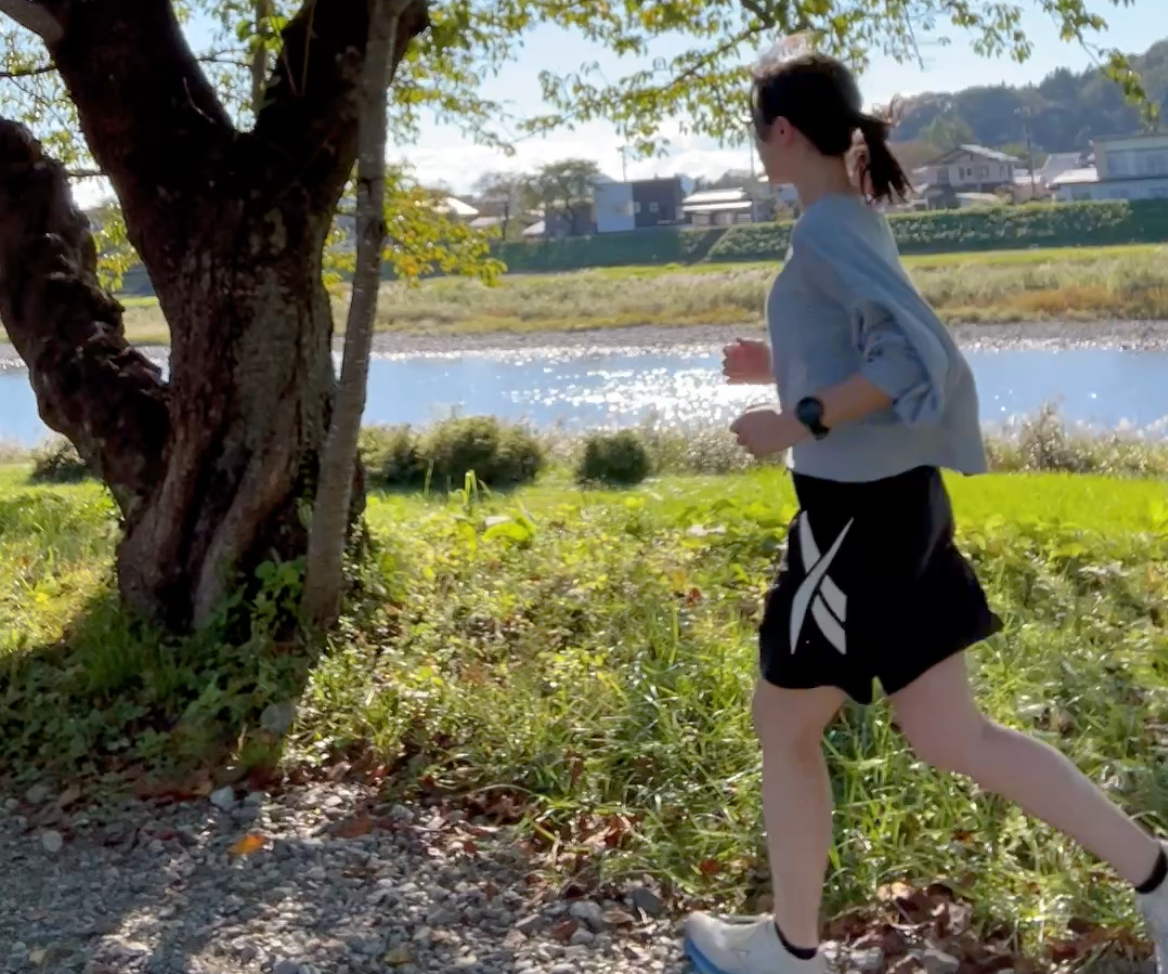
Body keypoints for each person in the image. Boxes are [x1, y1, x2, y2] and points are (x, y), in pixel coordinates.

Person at [681, 50, 1168, 974]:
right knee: (953, 737)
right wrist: (778, 365)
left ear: (783, 131)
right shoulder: (849, 218)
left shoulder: (827, 229)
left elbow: (914, 360)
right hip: (900, 511)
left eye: (757, 128)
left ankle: (788, 952)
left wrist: (799, 418)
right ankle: (1162, 882)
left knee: (784, 726)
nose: (756, 145)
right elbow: (868, 339)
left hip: (852, 521)